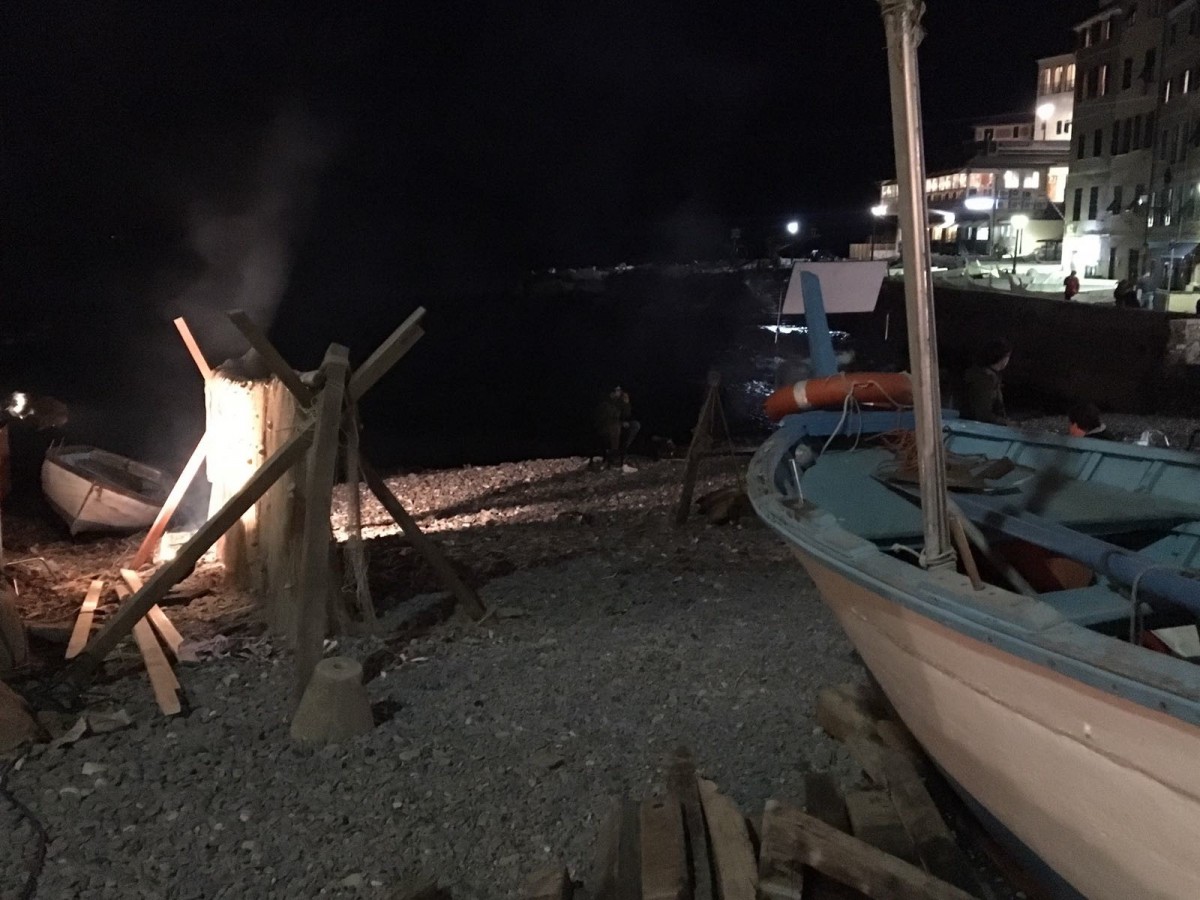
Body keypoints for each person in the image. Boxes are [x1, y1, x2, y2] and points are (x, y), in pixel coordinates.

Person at [960, 339, 1012, 426]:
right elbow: (984, 414)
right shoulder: (985, 380)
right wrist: (1008, 423)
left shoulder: (984, 376)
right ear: (1003, 358)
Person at [594, 385, 641, 469]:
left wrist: (626, 403)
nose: (620, 392)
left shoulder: (619, 402)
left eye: (620, 390)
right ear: (612, 393)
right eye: (617, 390)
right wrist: (620, 423)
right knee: (615, 426)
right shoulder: (605, 402)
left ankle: (623, 450)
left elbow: (626, 415)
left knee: (635, 425)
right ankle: (614, 455)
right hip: (604, 428)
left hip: (616, 428)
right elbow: (606, 418)